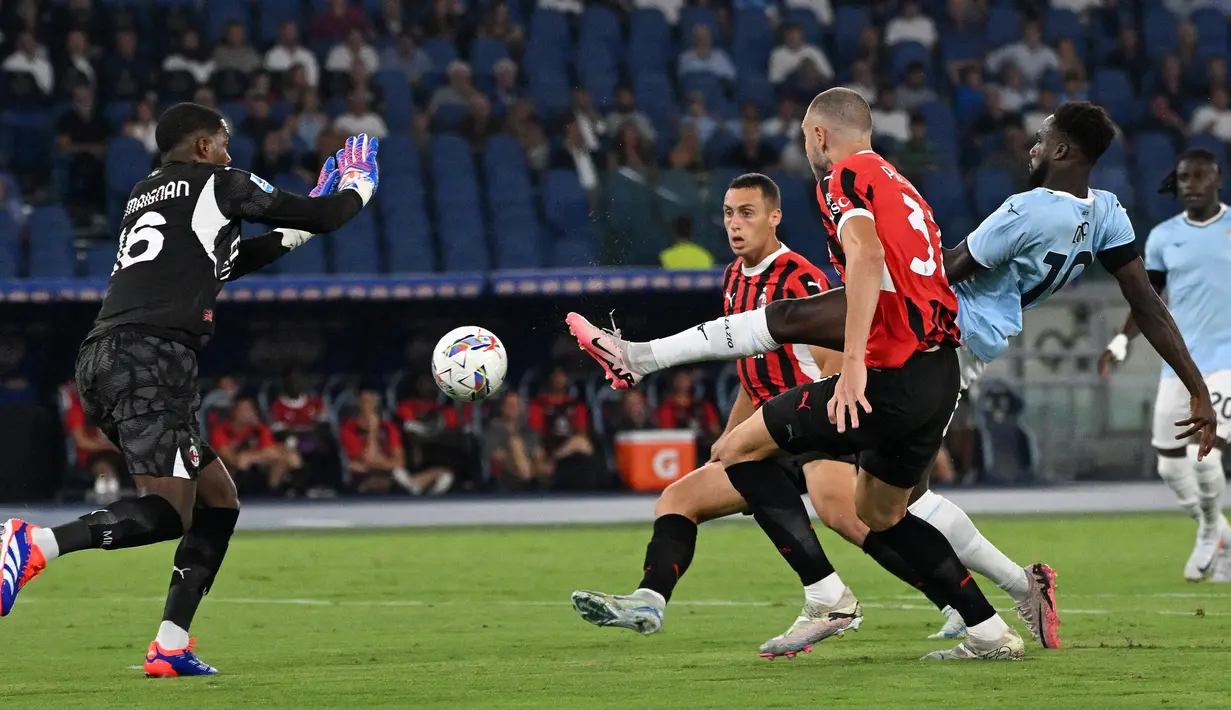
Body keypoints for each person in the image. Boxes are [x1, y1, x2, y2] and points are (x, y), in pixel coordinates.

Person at [567, 101, 1219, 654]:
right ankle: (1007, 599)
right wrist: (1192, 384)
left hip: (928, 338)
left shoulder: (1023, 211)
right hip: (960, 354)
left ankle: (644, 357)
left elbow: (942, 274)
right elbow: (1146, 303)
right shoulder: (1106, 212)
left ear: (1064, 148)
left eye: (1043, 136)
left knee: (791, 330)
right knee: (888, 505)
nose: (1031, 145)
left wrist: (860, 333)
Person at [0, 103, 380, 677]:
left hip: (108, 357)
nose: (231, 154)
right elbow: (324, 215)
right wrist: (356, 189)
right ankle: (34, 544)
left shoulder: (144, 193)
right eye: (224, 143)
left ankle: (171, 645)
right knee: (169, 513)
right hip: (153, 357)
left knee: (218, 498)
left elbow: (225, 261)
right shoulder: (221, 181)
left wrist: (295, 231)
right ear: (203, 147)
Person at [1099, 148, 1231, 583]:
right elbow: (1146, 302)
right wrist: (1120, 341)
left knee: (1203, 452)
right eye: (1184, 178)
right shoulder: (1162, 237)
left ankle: (1211, 530)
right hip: (1181, 366)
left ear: (1217, 181)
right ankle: (1222, 537)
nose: (1191, 184)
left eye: (1200, 176)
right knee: (1169, 463)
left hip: (1227, 363)